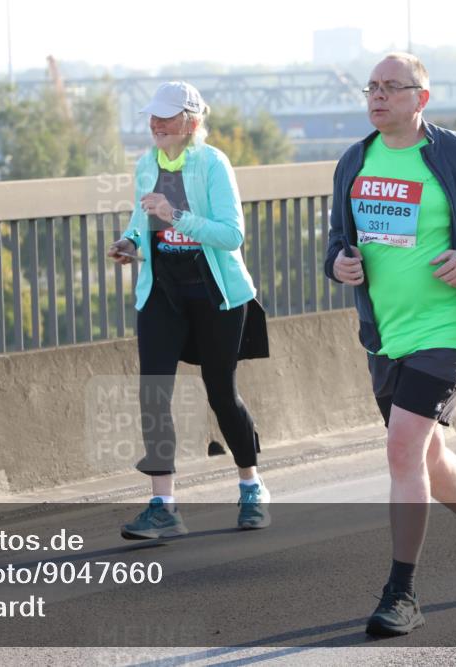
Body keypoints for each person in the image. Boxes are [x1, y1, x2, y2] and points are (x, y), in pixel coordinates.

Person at [324, 53, 456, 637]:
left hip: (444, 327)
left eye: (392, 87)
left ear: (421, 98)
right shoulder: (354, 161)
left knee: (401, 449)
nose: (378, 96)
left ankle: (401, 593)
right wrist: (338, 263)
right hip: (384, 332)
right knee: (428, 457)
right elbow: (339, 237)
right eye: (372, 87)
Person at [106, 81, 270, 539]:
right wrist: (129, 243)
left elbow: (231, 235)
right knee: (153, 391)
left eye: (166, 116)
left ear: (191, 123)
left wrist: (175, 215)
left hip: (215, 293)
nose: (155, 123)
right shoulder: (145, 165)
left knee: (221, 393)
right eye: (152, 116)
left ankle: (251, 485)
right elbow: (143, 223)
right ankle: (163, 504)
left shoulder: (213, 163)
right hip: (163, 291)